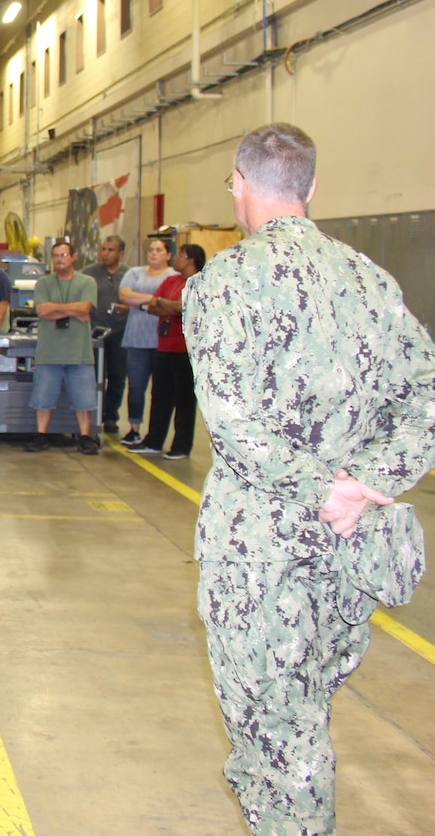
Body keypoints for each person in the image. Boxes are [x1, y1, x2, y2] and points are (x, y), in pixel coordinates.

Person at [188, 123, 435, 835]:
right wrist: (367, 483)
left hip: (260, 554)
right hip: (344, 551)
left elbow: (233, 425)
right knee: (303, 718)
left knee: (278, 748)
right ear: (312, 189)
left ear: (239, 184)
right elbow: (424, 398)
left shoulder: (225, 283)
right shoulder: (369, 281)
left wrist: (326, 488)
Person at [24, 239, 101, 455]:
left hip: (79, 351)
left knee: (84, 398)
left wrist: (55, 308)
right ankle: (41, 435)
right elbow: (42, 311)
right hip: (49, 351)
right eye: (56, 256)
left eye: (64, 255)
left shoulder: (87, 282)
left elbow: (86, 306)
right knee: (42, 396)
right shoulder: (44, 283)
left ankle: (84, 436)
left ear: (73, 257)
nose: (59, 259)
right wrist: (75, 312)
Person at [127, 244, 203, 460]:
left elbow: (186, 307)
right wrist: (170, 305)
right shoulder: (171, 281)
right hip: (164, 346)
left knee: (184, 399)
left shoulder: (199, 283)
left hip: (185, 349)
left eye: (180, 255)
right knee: (159, 396)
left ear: (191, 260)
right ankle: (154, 441)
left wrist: (168, 305)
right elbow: (152, 305)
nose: (176, 259)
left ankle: (181, 445)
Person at [115, 238, 178, 445]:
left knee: (160, 392)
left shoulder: (173, 276)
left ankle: (155, 433)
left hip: (162, 341)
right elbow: (124, 296)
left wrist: (141, 300)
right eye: (151, 249)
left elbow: (172, 302)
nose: (153, 253)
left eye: (159, 250)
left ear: (168, 255)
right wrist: (155, 300)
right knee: (135, 387)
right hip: (136, 340)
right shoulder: (134, 273)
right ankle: (134, 429)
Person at [83, 235, 129, 434]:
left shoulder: (129, 275)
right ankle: (94, 413)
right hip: (95, 333)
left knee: (118, 376)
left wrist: (126, 308)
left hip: (120, 333)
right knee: (94, 376)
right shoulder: (90, 273)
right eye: (104, 249)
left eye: (111, 250)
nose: (106, 254)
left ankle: (111, 416)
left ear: (121, 253)